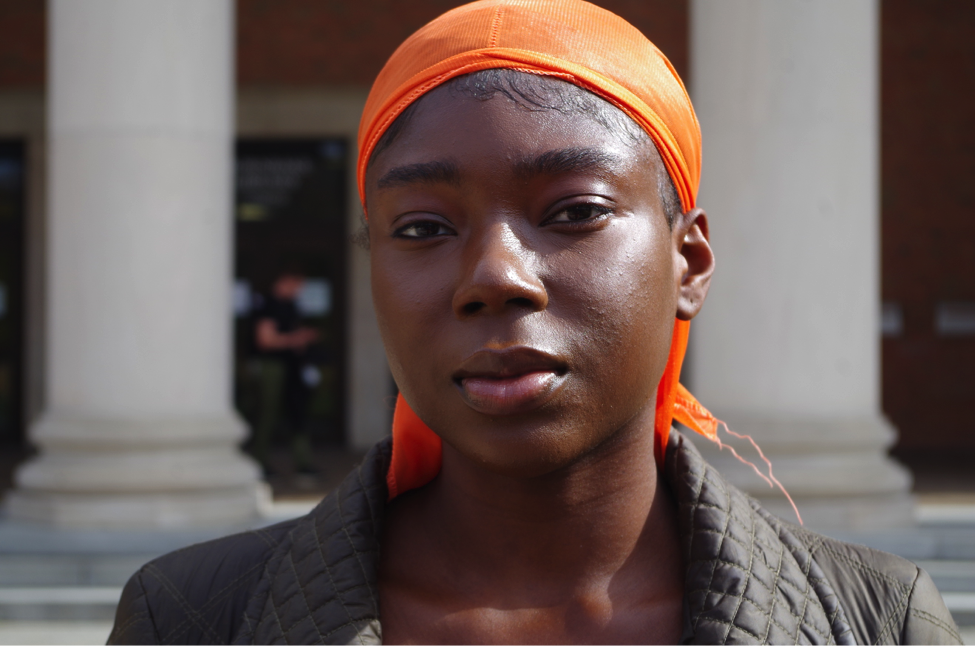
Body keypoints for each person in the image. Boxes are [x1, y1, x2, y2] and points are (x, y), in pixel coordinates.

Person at [107, 1, 961, 644]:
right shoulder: (188, 618)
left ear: (688, 263)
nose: (493, 278)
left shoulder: (878, 622)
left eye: (574, 211)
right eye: (422, 229)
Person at [251, 269, 320, 474]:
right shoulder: (268, 305)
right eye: (297, 286)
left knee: (297, 412)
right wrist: (295, 339)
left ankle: (303, 462)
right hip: (272, 367)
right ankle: (259, 461)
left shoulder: (291, 305)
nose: (299, 291)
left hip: (293, 367)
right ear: (285, 281)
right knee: (268, 413)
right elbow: (265, 340)